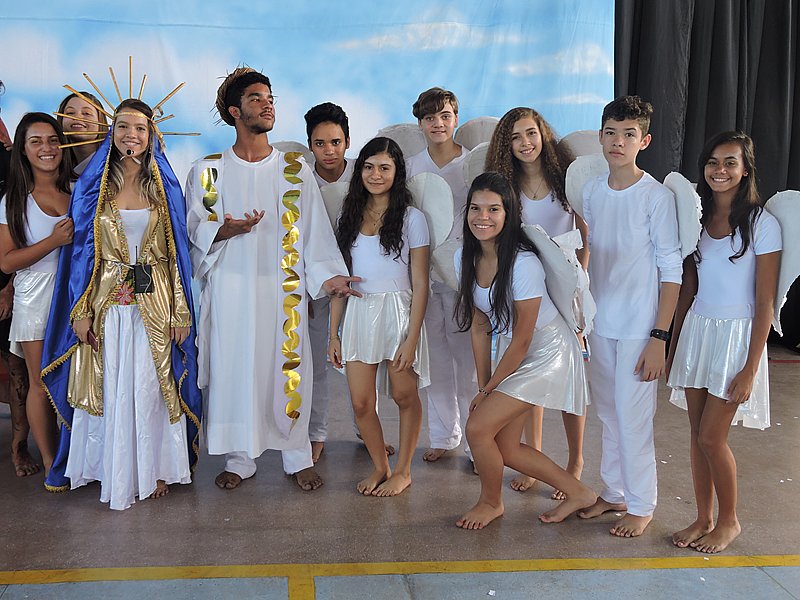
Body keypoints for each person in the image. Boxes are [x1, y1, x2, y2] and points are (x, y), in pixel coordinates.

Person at [185, 67, 358, 492]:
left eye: (270, 98)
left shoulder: (294, 169)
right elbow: (194, 229)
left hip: (284, 295)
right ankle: (239, 458)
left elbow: (315, 231)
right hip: (230, 292)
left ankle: (297, 456)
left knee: (288, 371)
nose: (268, 105)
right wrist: (223, 230)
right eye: (256, 98)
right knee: (234, 372)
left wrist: (329, 277)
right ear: (234, 111)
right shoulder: (208, 171)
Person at [40, 98, 202, 509]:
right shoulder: (93, 188)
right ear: (112, 132)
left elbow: (176, 256)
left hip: (156, 300)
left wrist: (181, 311)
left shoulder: (164, 188)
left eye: (140, 128)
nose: (132, 135)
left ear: (151, 135)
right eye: (124, 127)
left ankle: (154, 468)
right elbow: (80, 256)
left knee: (150, 385)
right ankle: (111, 467)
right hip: (106, 303)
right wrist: (81, 310)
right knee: (110, 383)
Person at [453, 171, 595, 530]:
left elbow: (523, 339)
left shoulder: (523, 262)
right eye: (475, 208)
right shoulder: (463, 258)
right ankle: (580, 493)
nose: (482, 217)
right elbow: (480, 326)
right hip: (516, 352)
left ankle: (491, 502)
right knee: (507, 447)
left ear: (509, 213)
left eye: (493, 209)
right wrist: (483, 385)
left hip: (548, 352)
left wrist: (490, 391)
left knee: (477, 429)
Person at [667, 131, 780, 553]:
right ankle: (703, 518)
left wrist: (750, 368)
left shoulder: (762, 225)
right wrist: (672, 344)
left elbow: (765, 302)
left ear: (745, 169)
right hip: (698, 330)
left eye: (730, 162)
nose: (720, 170)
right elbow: (688, 289)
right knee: (697, 435)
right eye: (713, 162)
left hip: (737, 336)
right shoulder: (695, 218)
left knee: (713, 438)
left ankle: (729, 521)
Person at [577, 96, 682, 537]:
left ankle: (642, 505)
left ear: (644, 141)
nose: (618, 142)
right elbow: (588, 256)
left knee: (633, 417)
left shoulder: (655, 197)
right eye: (611, 133)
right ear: (601, 137)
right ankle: (615, 491)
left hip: (640, 328)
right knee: (608, 413)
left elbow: (672, 270)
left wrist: (659, 337)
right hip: (601, 323)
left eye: (628, 134)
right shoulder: (591, 192)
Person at [486, 106, 588, 497]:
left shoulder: (566, 178)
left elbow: (585, 236)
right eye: (515, 137)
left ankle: (575, 460)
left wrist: (579, 285)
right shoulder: (507, 186)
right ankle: (535, 456)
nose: (525, 143)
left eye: (530, 133)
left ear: (543, 134)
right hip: (528, 286)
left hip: (568, 285)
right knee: (532, 371)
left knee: (572, 374)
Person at [328, 136, 430, 497]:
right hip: (358, 312)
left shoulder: (412, 218)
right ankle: (380, 467)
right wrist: (333, 334)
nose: (376, 174)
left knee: (404, 395)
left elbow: (421, 283)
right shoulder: (348, 216)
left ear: (397, 172)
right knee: (360, 402)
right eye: (369, 167)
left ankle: (403, 470)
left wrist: (412, 338)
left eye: (385, 168)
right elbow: (342, 281)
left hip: (399, 313)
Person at [0, 113, 73, 479]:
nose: (47, 148)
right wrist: (52, 241)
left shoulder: (78, 190)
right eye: (36, 141)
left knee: (79, 379)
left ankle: (81, 455)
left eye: (53, 140)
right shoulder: (13, 200)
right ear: (24, 151)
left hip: (76, 294)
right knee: (41, 382)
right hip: (35, 297)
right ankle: (51, 462)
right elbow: (7, 260)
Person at [405, 87, 475, 464]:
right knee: (434, 359)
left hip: (464, 272)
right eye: (430, 117)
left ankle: (476, 440)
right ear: (420, 123)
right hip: (424, 275)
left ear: (456, 119)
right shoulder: (411, 166)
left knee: (468, 361)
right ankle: (444, 435)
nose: (438, 123)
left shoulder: (471, 164)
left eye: (445, 116)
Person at [304, 102, 353, 462]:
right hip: (318, 285)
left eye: (335, 142)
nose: (329, 151)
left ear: (347, 141)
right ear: (310, 145)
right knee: (316, 363)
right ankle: (315, 433)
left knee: (365, 363)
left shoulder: (366, 175)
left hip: (361, 280)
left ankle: (367, 429)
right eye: (320, 144)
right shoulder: (300, 181)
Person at [0, 98, 35, 477]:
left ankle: (19, 444)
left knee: (19, 368)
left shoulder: (8, 155)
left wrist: (10, 283)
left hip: (9, 270)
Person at [56, 91, 108, 175]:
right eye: (70, 113)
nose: (77, 117)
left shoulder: (114, 164)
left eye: (86, 113)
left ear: (100, 120)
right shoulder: (56, 167)